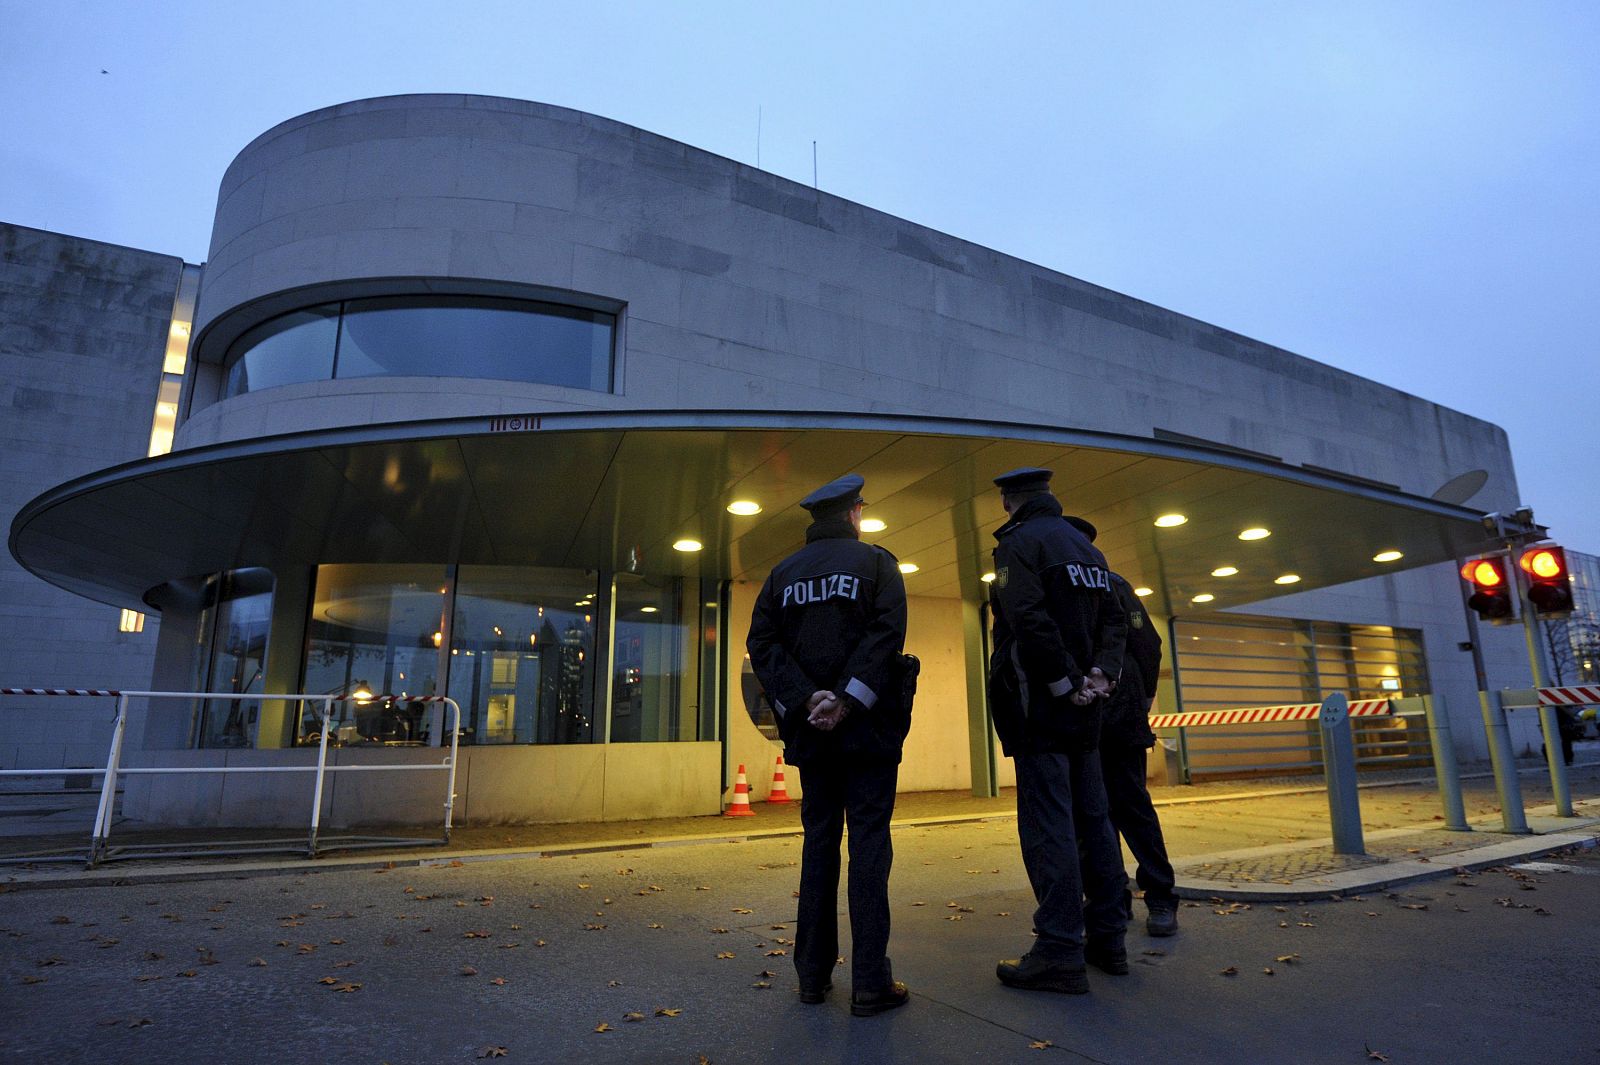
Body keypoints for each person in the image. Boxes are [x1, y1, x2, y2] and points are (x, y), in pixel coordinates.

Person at [746, 473, 913, 1017]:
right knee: (869, 848)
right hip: (867, 735)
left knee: (819, 845)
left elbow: (762, 644)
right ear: (855, 513)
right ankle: (870, 983)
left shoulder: (782, 575)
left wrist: (803, 701)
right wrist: (848, 700)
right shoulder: (878, 565)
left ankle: (811, 978)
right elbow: (887, 637)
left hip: (812, 739)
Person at [986, 467, 1129, 994]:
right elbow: (1115, 620)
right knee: (1095, 819)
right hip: (1088, 707)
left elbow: (1026, 616)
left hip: (1042, 707)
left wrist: (1063, 680)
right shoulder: (1088, 549)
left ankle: (1059, 951)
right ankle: (1109, 938)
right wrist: (1099, 675)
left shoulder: (1020, 544)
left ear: (1010, 502)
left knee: (1050, 827)